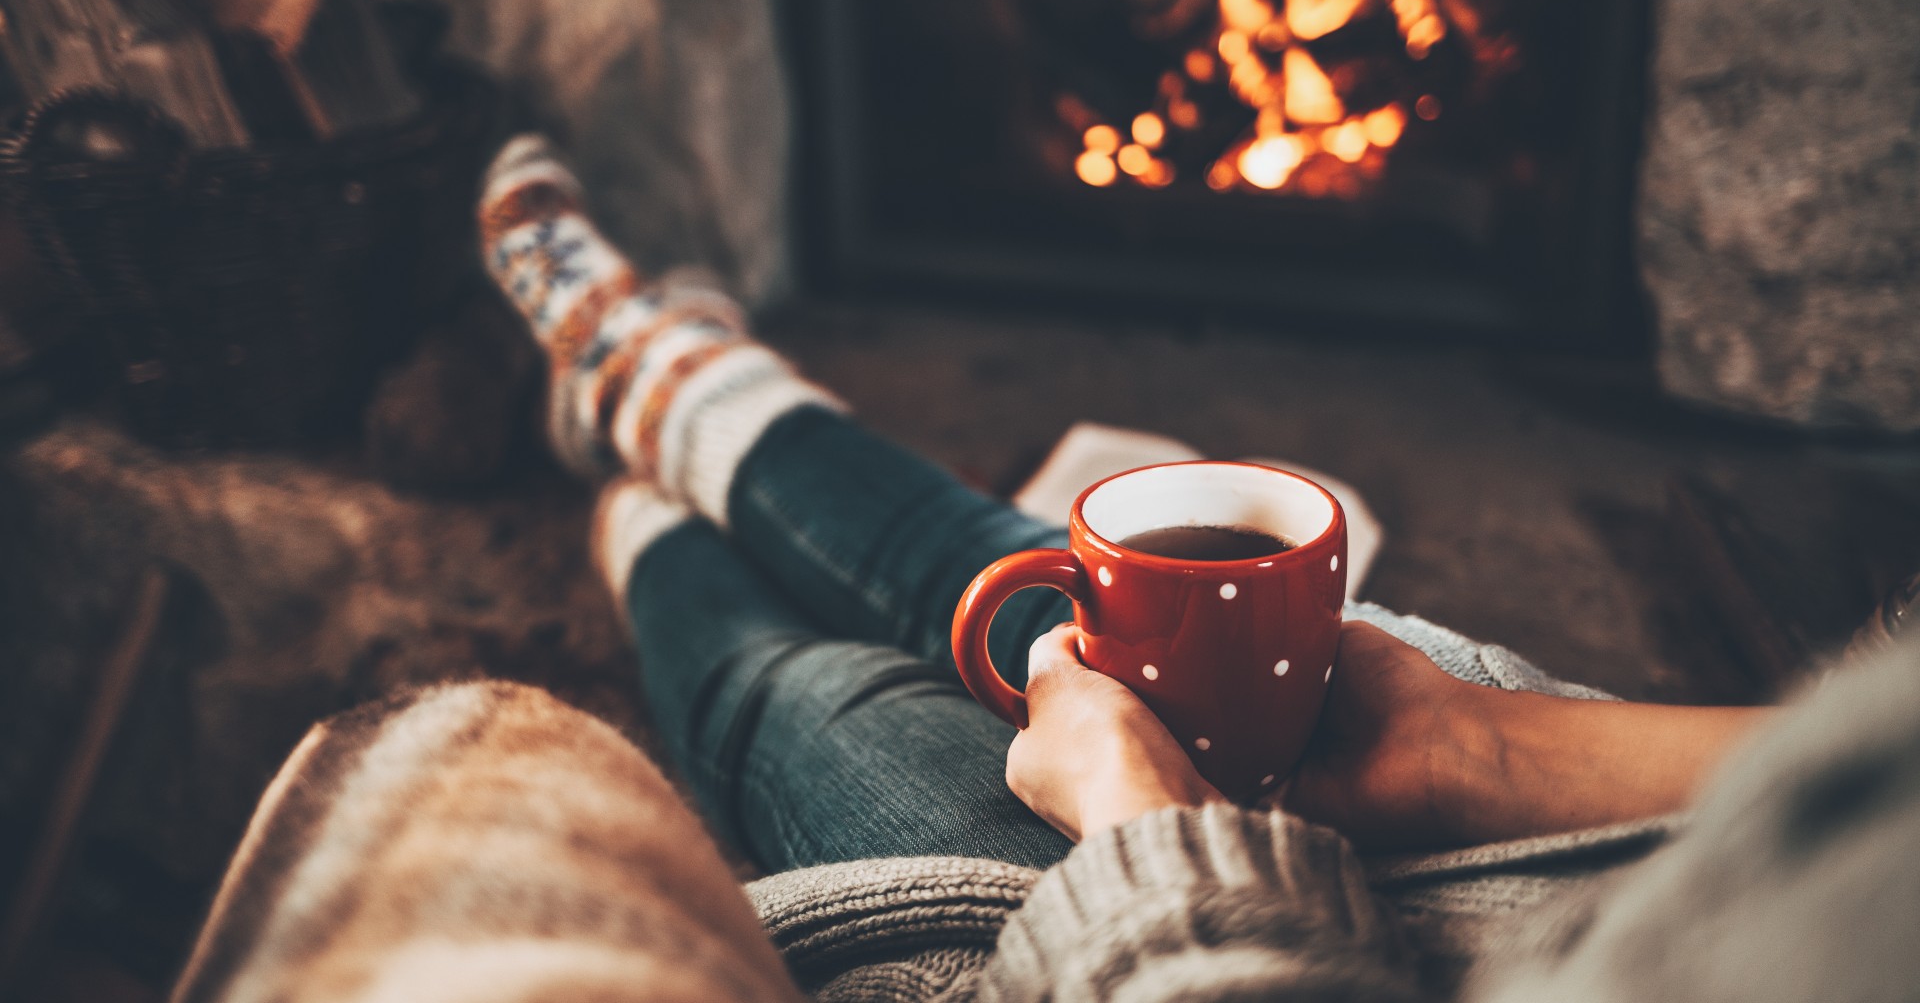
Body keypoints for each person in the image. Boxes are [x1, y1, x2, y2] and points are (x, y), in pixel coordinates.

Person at [170, 137, 1920, 1003]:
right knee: (1007, 581)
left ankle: (638, 451)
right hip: (1529, 815)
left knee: (821, 683)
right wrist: (1492, 747)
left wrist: (1152, 824)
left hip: (1217, 942)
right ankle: (650, 397)